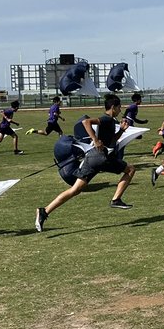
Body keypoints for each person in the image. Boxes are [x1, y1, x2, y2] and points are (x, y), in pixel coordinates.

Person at [35, 94, 136, 231]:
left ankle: (44, 211)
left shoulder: (111, 121)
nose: (120, 110)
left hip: (92, 158)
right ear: (113, 107)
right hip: (101, 158)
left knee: (75, 190)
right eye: (119, 107)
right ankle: (116, 199)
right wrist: (95, 139)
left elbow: (112, 141)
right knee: (130, 169)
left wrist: (122, 130)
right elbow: (86, 122)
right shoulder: (106, 119)